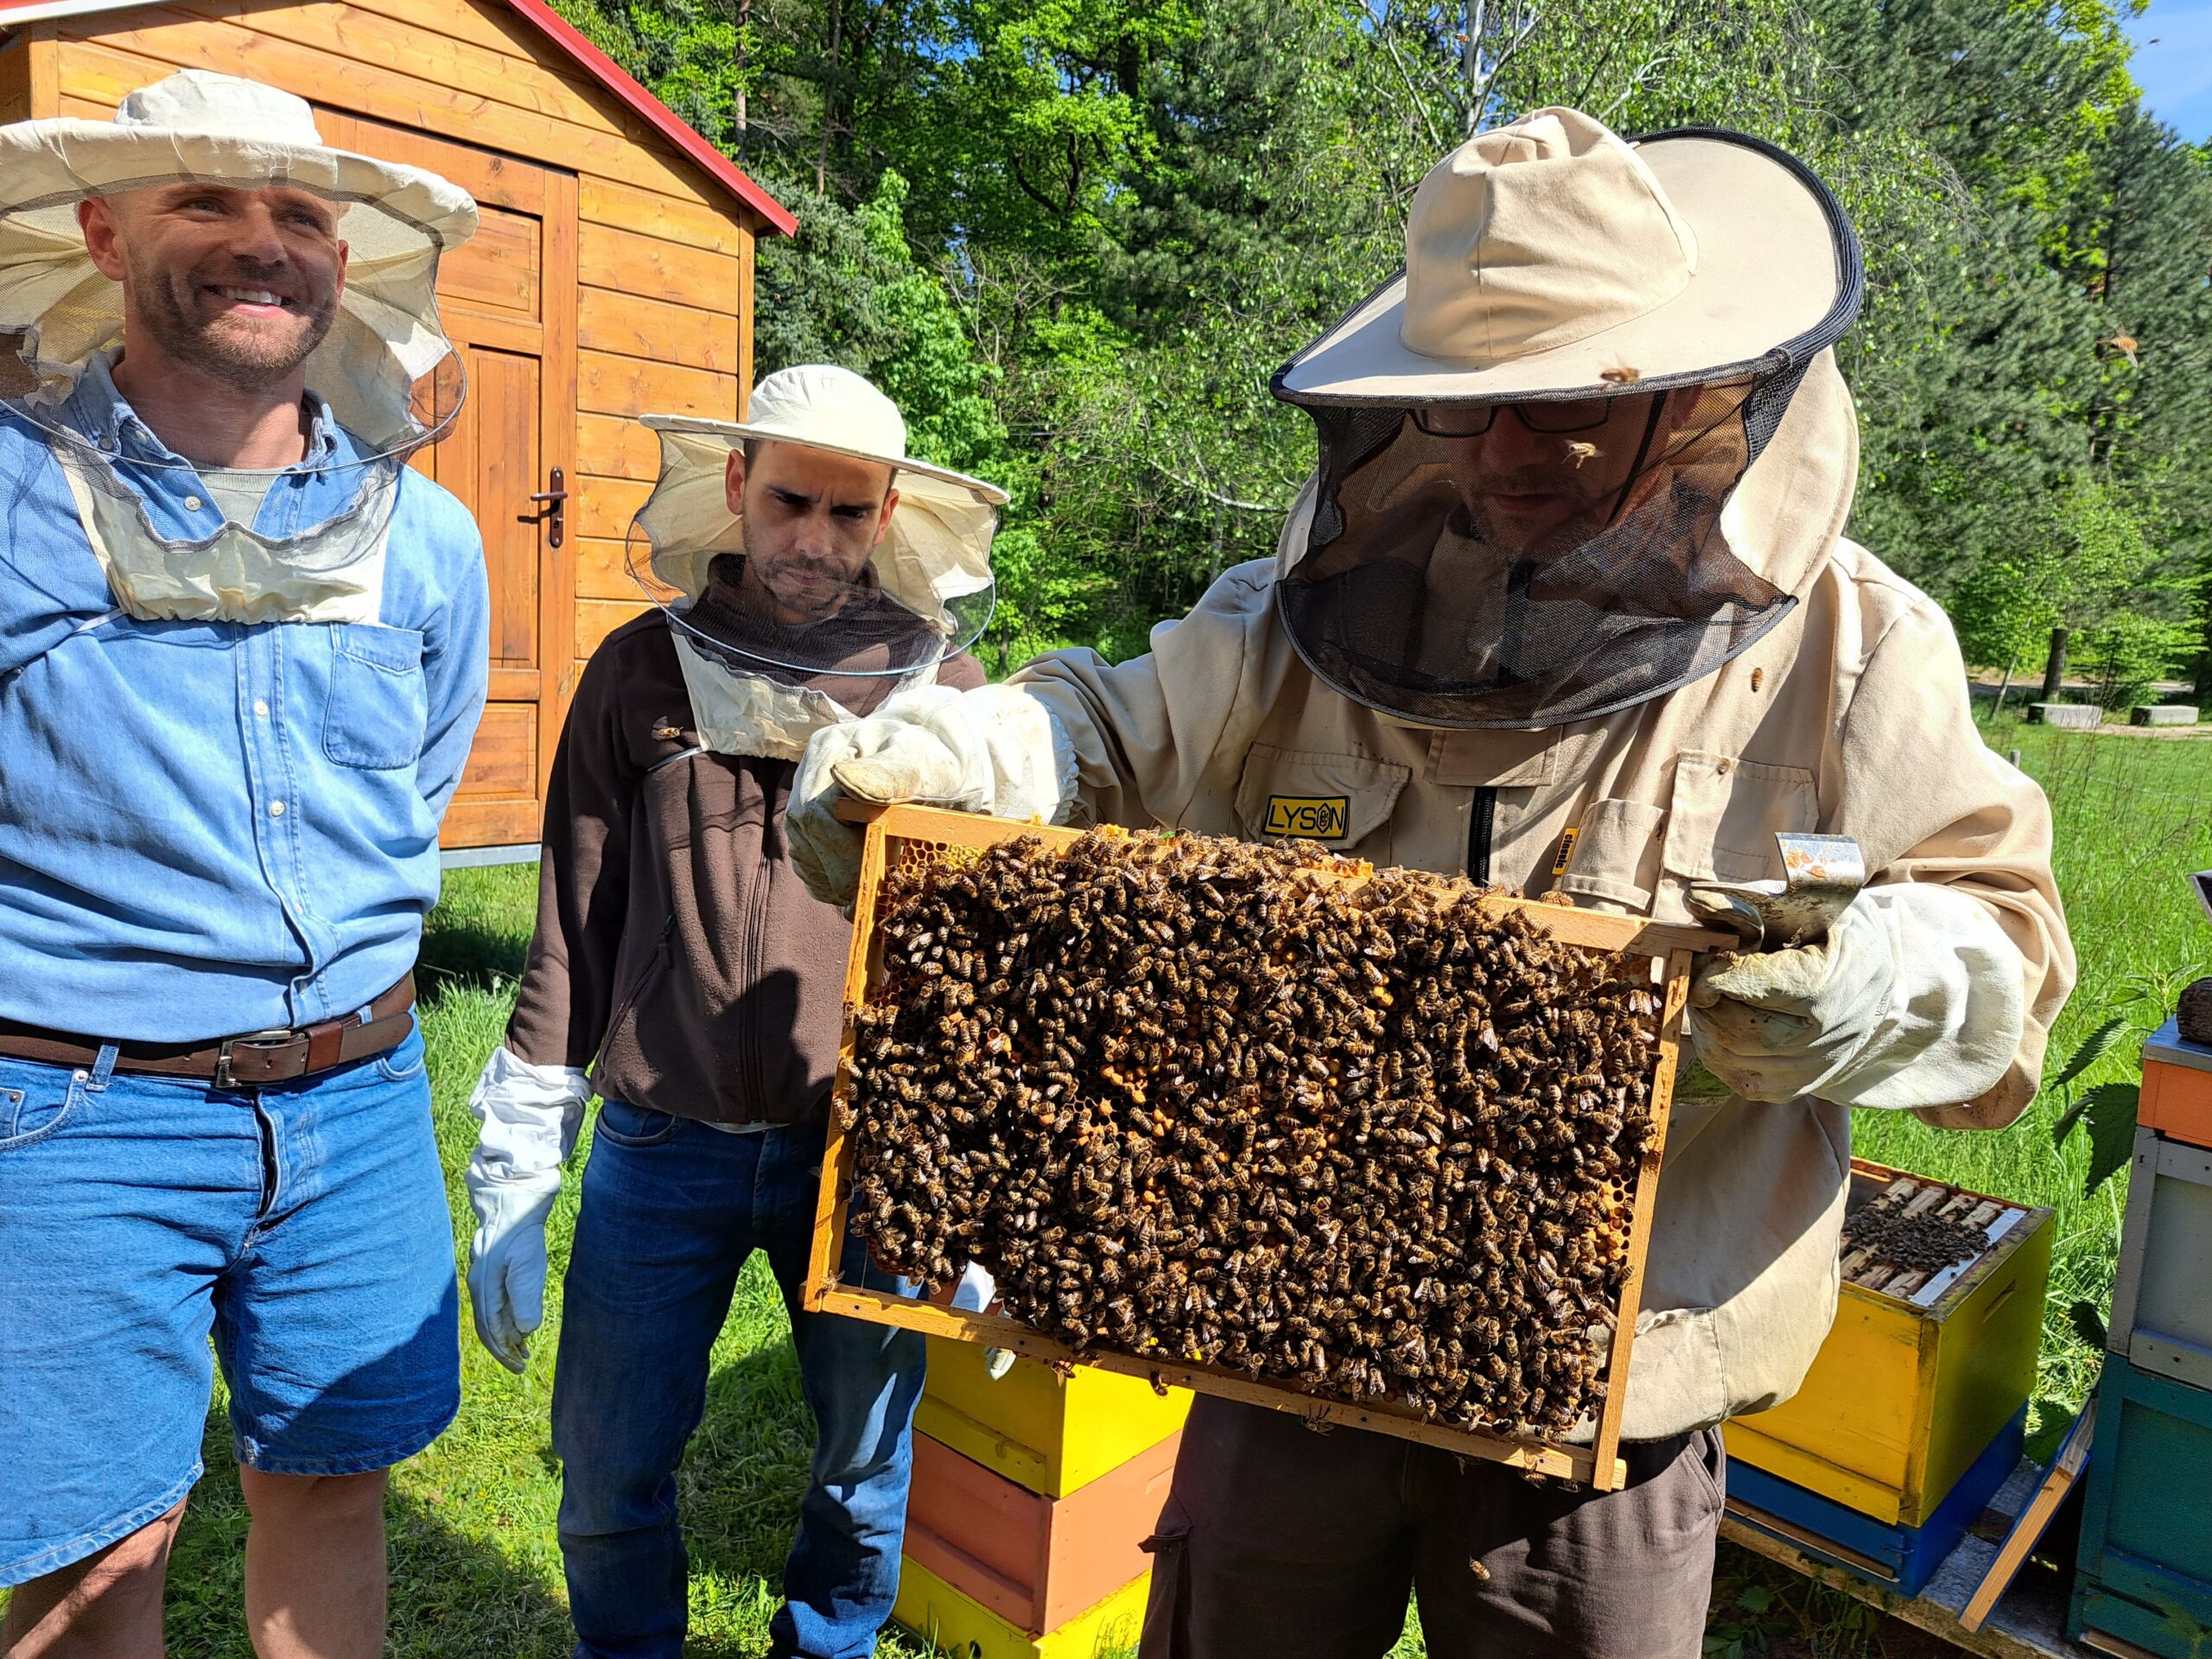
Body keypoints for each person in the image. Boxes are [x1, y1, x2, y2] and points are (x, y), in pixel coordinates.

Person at [787, 110, 2075, 1659]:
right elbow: (1114, 729)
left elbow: (2005, 969)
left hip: (1613, 1394)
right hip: (1277, 1337)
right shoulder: (1302, 614)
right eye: (1468, 412)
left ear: (1699, 397)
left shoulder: (1858, 648)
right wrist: (967, 754)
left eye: (1561, 409)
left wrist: (1875, 989)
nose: (1508, 456)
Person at [0, 72, 486, 1657]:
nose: (257, 245)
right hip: (81, 1106)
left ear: (345, 259)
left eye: (295, 215)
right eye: (204, 202)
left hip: (356, 1090)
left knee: (335, 1481)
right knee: (95, 1555)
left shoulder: (428, 537)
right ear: (102, 228)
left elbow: (419, 790)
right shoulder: (9, 496)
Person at [461, 365, 1013, 1659]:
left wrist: (980, 1170)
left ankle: (829, 1646)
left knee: (863, 1474)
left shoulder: (950, 690)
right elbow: (573, 917)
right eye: (789, 503)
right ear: (733, 488)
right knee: (603, 1475)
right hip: (664, 1143)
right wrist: (521, 1145)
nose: (814, 540)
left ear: (889, 516)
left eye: (847, 511)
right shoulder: (640, 673)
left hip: (864, 1157)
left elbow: (981, 960)